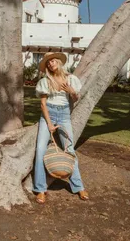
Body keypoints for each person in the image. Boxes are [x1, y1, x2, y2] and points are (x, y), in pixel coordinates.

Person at [33, 52, 89, 204]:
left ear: (58, 61)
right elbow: (43, 104)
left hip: (64, 115)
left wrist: (72, 92)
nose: (51, 64)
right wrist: (50, 124)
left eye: (53, 61)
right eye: (48, 63)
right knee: (40, 150)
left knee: (70, 150)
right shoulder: (45, 81)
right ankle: (40, 189)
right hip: (48, 115)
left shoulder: (70, 79)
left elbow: (75, 98)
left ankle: (78, 186)